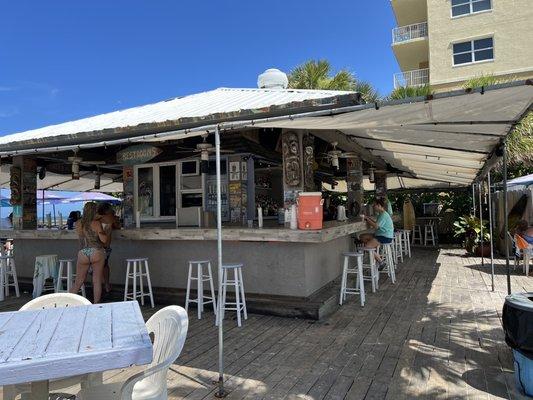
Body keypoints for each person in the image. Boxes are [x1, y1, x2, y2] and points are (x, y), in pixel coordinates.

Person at [70, 202, 108, 303]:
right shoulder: (96, 223)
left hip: (83, 252)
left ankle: (67, 302)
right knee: (96, 281)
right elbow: (104, 240)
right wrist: (105, 231)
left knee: (78, 282)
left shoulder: (78, 223)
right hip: (96, 251)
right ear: (94, 211)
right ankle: (95, 305)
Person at [360, 197, 395, 266]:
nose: (373, 207)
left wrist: (367, 219)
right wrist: (368, 218)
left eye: (374, 205)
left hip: (385, 236)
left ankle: (381, 261)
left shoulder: (383, 215)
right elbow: (377, 224)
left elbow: (376, 226)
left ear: (379, 205)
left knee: (367, 247)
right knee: (362, 237)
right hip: (380, 235)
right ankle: (373, 251)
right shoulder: (381, 214)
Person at [97, 202, 120, 293]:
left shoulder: (97, 219)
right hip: (104, 247)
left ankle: (98, 286)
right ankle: (106, 285)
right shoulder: (110, 218)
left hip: (97, 247)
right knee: (104, 266)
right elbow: (118, 227)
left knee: (100, 267)